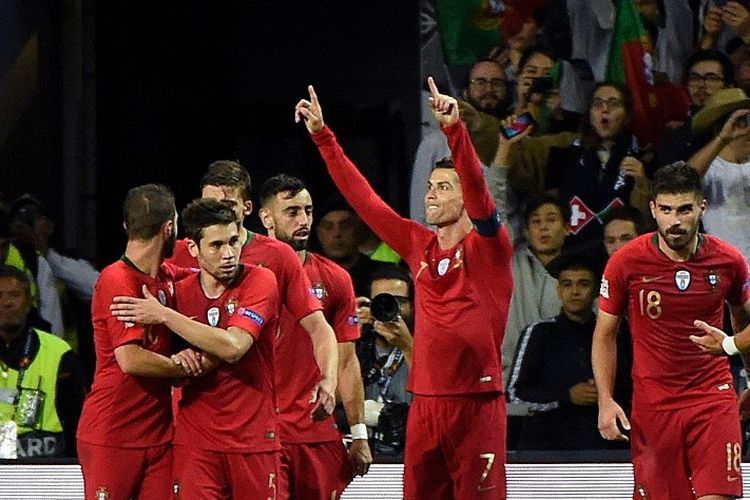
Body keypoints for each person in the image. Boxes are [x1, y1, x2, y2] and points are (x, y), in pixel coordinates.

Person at [296, 78, 513, 499]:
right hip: (426, 402)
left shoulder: (490, 248)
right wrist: (324, 137)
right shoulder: (419, 244)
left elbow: (481, 194)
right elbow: (364, 200)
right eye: (431, 187)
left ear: (466, 198)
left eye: (444, 188)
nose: (431, 195)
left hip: (477, 403)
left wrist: (455, 130)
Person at [593, 163, 750, 499]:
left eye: (684, 209)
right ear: (653, 209)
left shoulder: (729, 261)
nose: (675, 221)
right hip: (653, 406)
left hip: (713, 397)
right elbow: (605, 333)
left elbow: (742, 322)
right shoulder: (626, 262)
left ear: (701, 208)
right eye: (665, 210)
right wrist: (606, 400)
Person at [112, 198, 282, 498]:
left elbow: (233, 347)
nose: (229, 254)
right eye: (216, 245)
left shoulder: (260, 280)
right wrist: (177, 360)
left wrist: (165, 315)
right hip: (196, 442)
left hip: (253, 439)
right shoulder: (180, 291)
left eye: (233, 241)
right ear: (193, 249)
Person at [167, 160, 339, 417]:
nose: (215, 214)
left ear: (247, 207)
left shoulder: (277, 256)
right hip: (191, 406)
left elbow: (318, 327)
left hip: (253, 405)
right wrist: (172, 356)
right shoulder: (179, 252)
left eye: (226, 206)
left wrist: (328, 380)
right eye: (208, 205)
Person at [76, 184, 199, 500]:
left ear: (126, 226)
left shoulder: (166, 277)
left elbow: (208, 274)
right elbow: (130, 359)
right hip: (113, 433)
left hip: (157, 436)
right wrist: (179, 366)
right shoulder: (116, 279)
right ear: (168, 229)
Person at [258, 174, 372, 499]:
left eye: (307, 211)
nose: (304, 220)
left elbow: (347, 362)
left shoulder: (335, 279)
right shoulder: (243, 275)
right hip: (261, 433)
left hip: (315, 434)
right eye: (292, 212)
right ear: (266, 217)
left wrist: (359, 434)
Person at [507, 254, 628, 450]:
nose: (575, 292)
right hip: (548, 447)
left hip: (606, 446)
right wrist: (566, 397)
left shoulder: (616, 334)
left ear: (597, 290)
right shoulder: (539, 333)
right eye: (567, 284)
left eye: (583, 284)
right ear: (558, 291)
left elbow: (633, 389)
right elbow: (514, 393)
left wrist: (606, 394)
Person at [0, 264, 85, 458]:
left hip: (47, 468)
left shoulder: (59, 352)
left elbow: (79, 423)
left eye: (14, 295)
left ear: (30, 302)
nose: (6, 302)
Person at [502, 195, 569, 387]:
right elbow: (496, 206)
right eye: (536, 221)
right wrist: (503, 165)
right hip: (509, 385)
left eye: (551, 219)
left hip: (562, 388)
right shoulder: (509, 263)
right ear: (526, 230)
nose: (543, 227)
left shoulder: (579, 275)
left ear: (567, 227)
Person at [356, 263, 414, 458]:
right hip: (361, 452)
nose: (391, 309)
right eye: (381, 301)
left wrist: (407, 346)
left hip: (409, 451)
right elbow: (333, 397)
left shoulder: (430, 346)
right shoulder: (357, 343)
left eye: (398, 301)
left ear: (413, 305)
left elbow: (437, 395)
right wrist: (346, 336)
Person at [315, 196, 379, 297]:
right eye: (328, 227)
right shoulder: (306, 276)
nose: (337, 233)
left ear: (359, 230)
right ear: (318, 233)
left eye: (345, 226)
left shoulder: (382, 275)